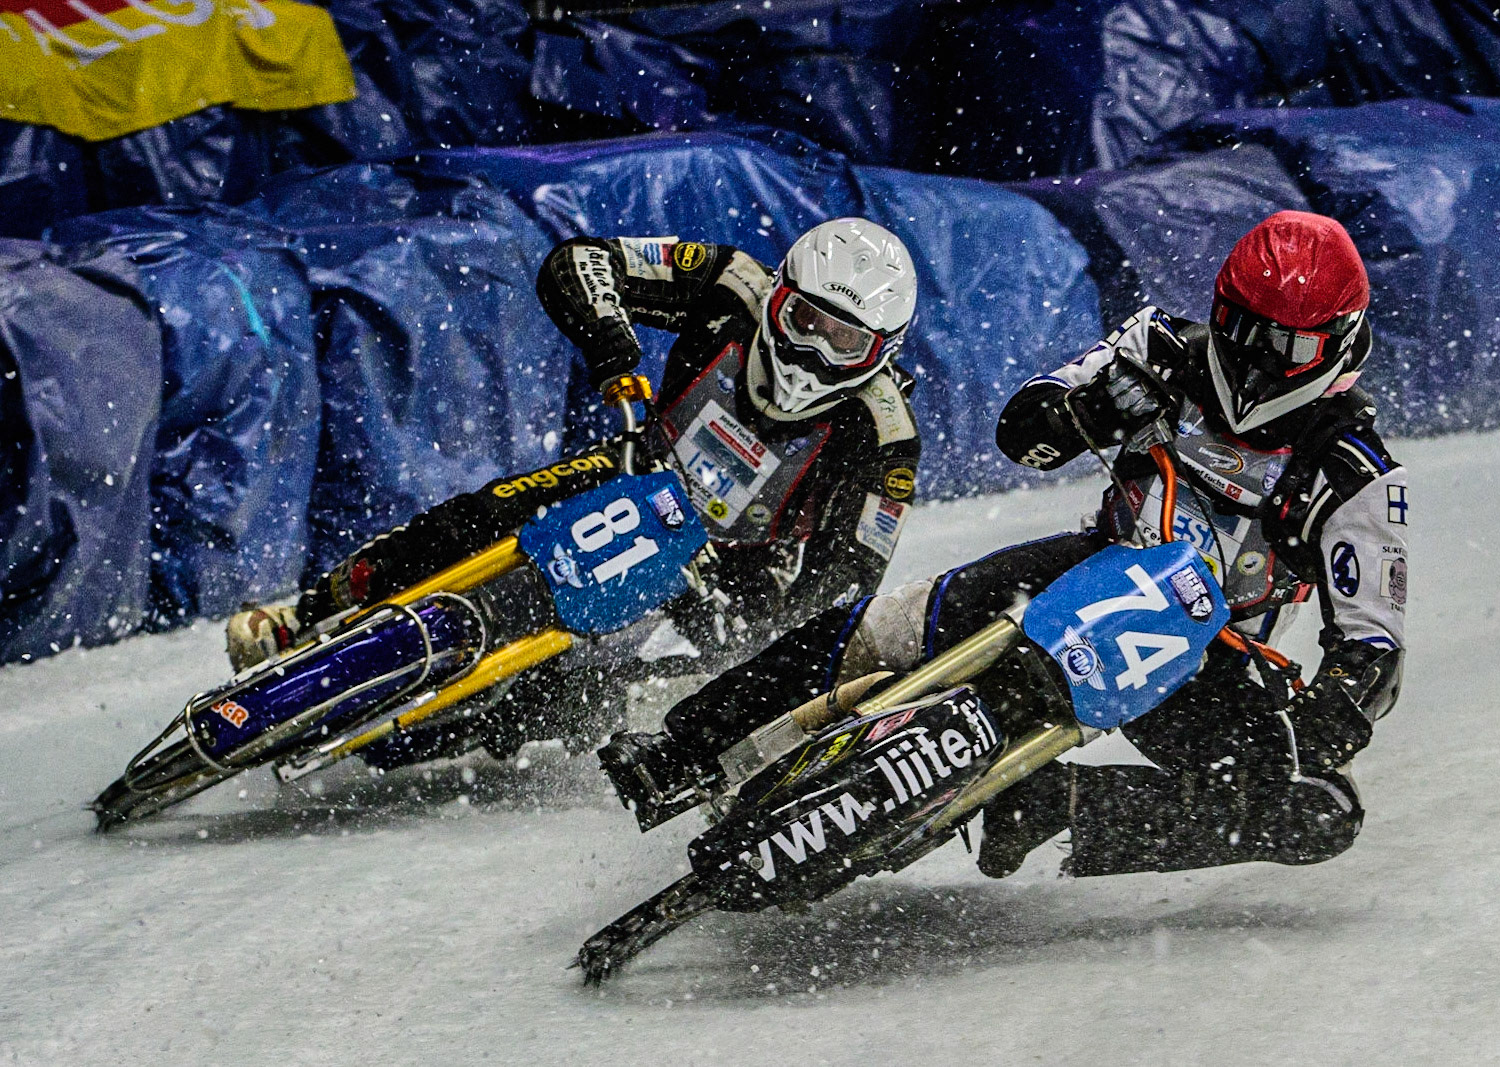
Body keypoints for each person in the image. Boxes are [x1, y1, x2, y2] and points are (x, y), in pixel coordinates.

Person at [600, 210, 1406, 885]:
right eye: (1240, 330)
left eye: (1287, 349)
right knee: (884, 626)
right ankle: (686, 745)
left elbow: (1374, 643)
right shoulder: (1157, 344)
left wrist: (1329, 707)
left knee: (1319, 809)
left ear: (1338, 343)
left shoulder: (1354, 468)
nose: (1258, 363)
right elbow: (1022, 428)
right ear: (1218, 306)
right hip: (1086, 565)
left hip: (1203, 652)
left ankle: (1059, 806)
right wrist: (1087, 409)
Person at [225, 217, 922, 763]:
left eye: (845, 344)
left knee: (611, 691)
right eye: (805, 322)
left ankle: (522, 717)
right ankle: (306, 611)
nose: (813, 354)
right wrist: (614, 350)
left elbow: (851, 570)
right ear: (777, 295)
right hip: (638, 466)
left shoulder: (887, 433)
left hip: (742, 563)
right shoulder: (728, 279)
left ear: (881, 354)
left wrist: (771, 626)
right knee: (478, 515)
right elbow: (578, 262)